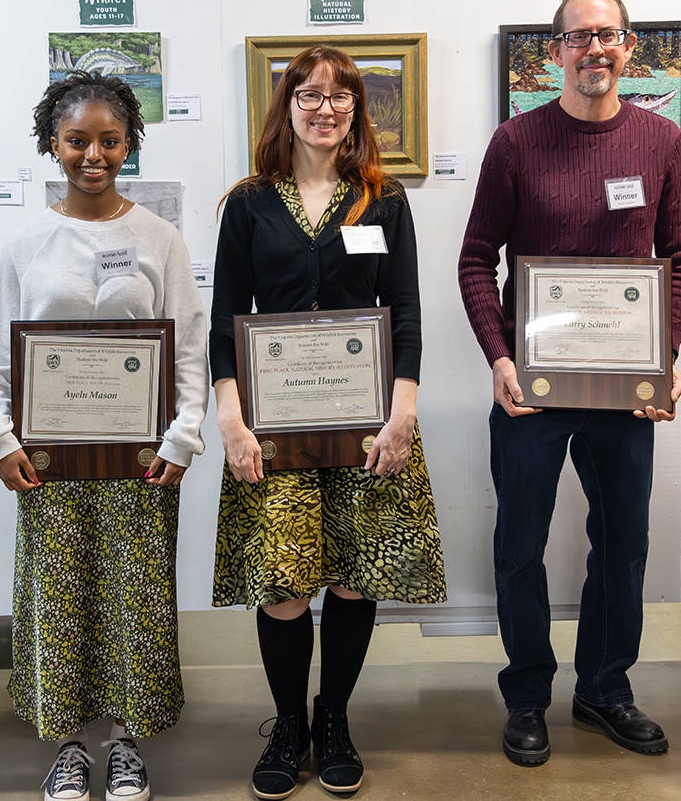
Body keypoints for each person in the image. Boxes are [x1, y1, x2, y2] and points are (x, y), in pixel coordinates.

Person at [458, 0, 681, 766]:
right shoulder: (517, 142)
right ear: (554, 51)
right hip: (534, 386)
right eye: (579, 36)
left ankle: (604, 687)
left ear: (630, 49)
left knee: (623, 541)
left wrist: (666, 354)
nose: (596, 49)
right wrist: (499, 355)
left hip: (626, 389)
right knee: (519, 542)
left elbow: (680, 259)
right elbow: (474, 259)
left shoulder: (661, 139)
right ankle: (527, 694)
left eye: (611, 36)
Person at [210, 45, 446, 799]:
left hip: (366, 422)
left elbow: (405, 309)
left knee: (353, 576)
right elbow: (225, 320)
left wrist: (404, 407)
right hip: (273, 426)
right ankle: (287, 723)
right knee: (282, 582)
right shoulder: (249, 202)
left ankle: (334, 717)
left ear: (356, 110)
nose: (324, 107)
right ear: (287, 107)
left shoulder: (383, 197)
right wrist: (230, 418)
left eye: (339, 96)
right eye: (308, 95)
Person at [0, 70, 207, 801]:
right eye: (78, 140)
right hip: (50, 462)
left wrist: (182, 437)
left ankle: (128, 743)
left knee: (136, 596)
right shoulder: (28, 242)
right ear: (54, 142)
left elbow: (190, 349)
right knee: (59, 596)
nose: (93, 154)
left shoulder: (158, 238)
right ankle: (71, 745)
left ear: (128, 144)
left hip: (140, 461)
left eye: (110, 140)